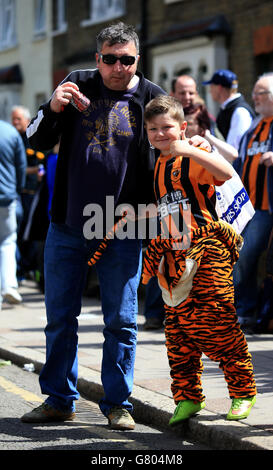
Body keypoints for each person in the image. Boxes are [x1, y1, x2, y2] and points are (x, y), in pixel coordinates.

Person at [20, 22, 166, 430]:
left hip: (120, 226)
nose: (118, 68)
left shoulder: (152, 96)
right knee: (59, 316)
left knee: (120, 319)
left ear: (138, 59)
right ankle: (58, 399)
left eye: (127, 60)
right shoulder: (76, 84)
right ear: (97, 58)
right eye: (110, 59)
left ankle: (118, 404)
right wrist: (52, 108)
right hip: (68, 223)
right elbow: (38, 140)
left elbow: (172, 146)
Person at [142, 95, 257, 426]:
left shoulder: (191, 156)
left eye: (167, 128)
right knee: (178, 334)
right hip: (175, 257)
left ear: (181, 127)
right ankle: (188, 397)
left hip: (209, 252)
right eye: (153, 129)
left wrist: (193, 149)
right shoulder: (159, 165)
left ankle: (243, 391)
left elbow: (227, 172)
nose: (160, 134)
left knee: (218, 324)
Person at [233, 72, 273, 329]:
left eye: (261, 93)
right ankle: (245, 310)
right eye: (255, 93)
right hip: (246, 207)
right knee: (238, 254)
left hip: (265, 208)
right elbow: (239, 162)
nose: (255, 98)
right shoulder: (253, 128)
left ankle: (244, 309)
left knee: (244, 255)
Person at [11, 106, 45, 280]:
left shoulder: (34, 136)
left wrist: (32, 171)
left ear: (26, 120)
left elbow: (42, 165)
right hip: (19, 192)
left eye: (18, 119)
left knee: (30, 233)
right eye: (13, 119)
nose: (15, 122)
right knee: (18, 232)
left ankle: (30, 268)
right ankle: (22, 269)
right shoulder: (13, 138)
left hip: (33, 192)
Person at [0, 119, 26, 308]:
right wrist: (18, 189)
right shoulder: (10, 132)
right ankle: (9, 284)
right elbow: (21, 166)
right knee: (7, 241)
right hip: (7, 197)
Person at [202, 69, 255, 150]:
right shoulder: (228, 109)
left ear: (219, 88)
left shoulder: (240, 112)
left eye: (211, 86)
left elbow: (234, 149)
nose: (210, 91)